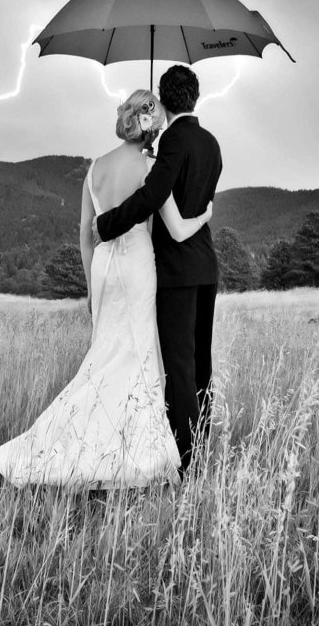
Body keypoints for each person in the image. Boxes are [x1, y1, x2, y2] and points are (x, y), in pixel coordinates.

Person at [0, 89, 212, 488]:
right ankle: (134, 453)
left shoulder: (95, 168)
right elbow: (174, 225)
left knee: (103, 354)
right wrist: (205, 214)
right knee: (138, 352)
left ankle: (78, 440)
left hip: (104, 269)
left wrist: (91, 286)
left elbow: (84, 234)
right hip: (138, 267)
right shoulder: (150, 169)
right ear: (151, 128)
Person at [93, 66, 221, 475]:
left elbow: (152, 195)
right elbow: (197, 201)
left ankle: (185, 462)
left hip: (177, 275)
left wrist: (107, 224)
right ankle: (200, 447)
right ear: (195, 98)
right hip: (206, 267)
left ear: (164, 101)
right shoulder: (211, 143)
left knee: (179, 367)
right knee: (202, 365)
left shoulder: (174, 141)